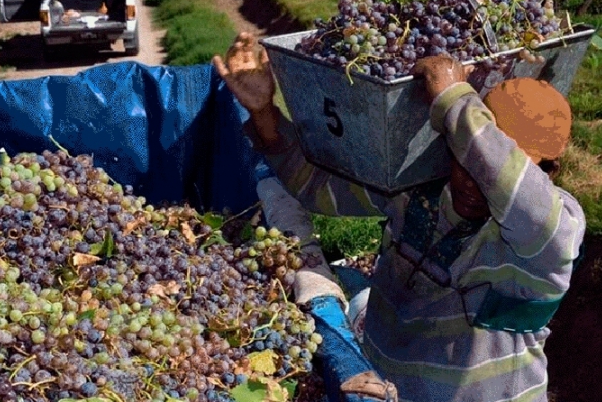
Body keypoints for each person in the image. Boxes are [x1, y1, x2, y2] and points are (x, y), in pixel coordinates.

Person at [213, 32, 586, 402]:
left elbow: (519, 189)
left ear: (549, 174)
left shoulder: (551, 238)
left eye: (483, 163)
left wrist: (454, 101)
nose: (476, 181)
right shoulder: (417, 191)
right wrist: (265, 115)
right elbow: (316, 187)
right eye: (464, 159)